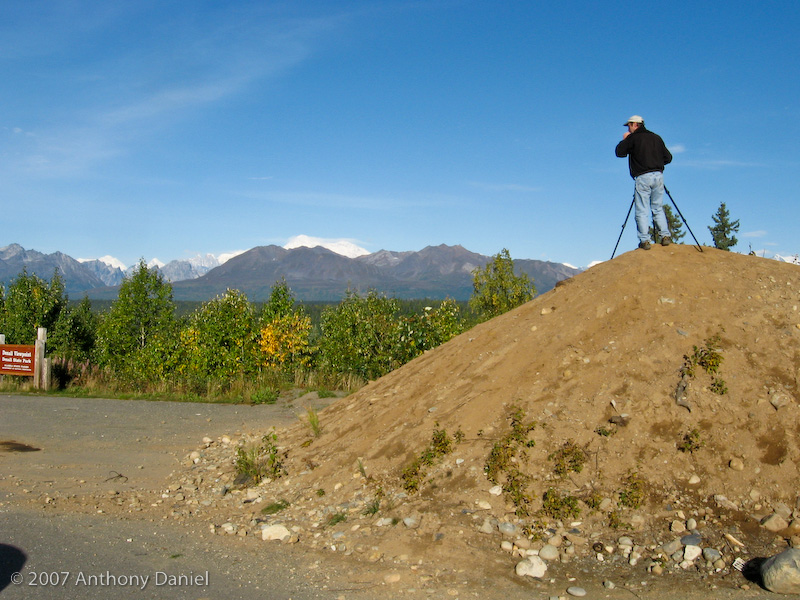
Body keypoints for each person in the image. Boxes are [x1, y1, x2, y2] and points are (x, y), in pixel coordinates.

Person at [615, 115, 673, 250]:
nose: (628, 129)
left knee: (641, 209)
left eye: (629, 125)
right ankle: (665, 236)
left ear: (635, 124)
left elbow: (619, 152)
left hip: (642, 176)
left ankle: (645, 240)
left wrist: (625, 139)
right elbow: (668, 158)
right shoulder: (656, 138)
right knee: (657, 207)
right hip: (658, 175)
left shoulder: (633, 138)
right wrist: (655, 161)